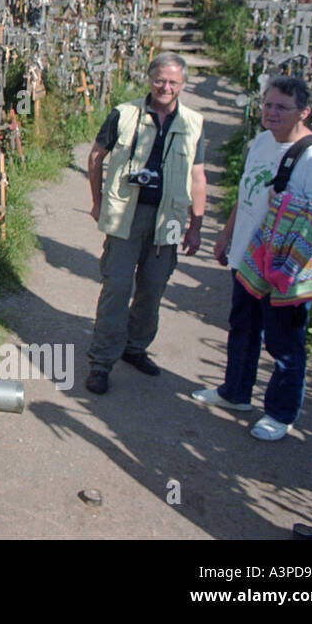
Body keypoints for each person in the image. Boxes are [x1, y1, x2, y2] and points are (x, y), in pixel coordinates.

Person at [196, 77, 312, 441]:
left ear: (305, 112)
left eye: (282, 107)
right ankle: (235, 393)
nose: (271, 112)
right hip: (248, 258)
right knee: (243, 328)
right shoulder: (262, 141)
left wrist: (291, 217)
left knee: (285, 341)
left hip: (283, 267)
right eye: (268, 104)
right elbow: (247, 191)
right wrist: (226, 234)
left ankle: (281, 414)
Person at [85, 52, 206, 394]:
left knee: (154, 288)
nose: (165, 87)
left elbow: (198, 176)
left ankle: (135, 347)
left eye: (173, 82)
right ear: (150, 80)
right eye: (160, 80)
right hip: (127, 214)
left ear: (182, 85)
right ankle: (101, 360)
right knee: (117, 287)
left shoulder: (194, 123)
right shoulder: (125, 114)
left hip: (169, 218)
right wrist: (97, 201)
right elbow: (96, 157)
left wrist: (196, 226)